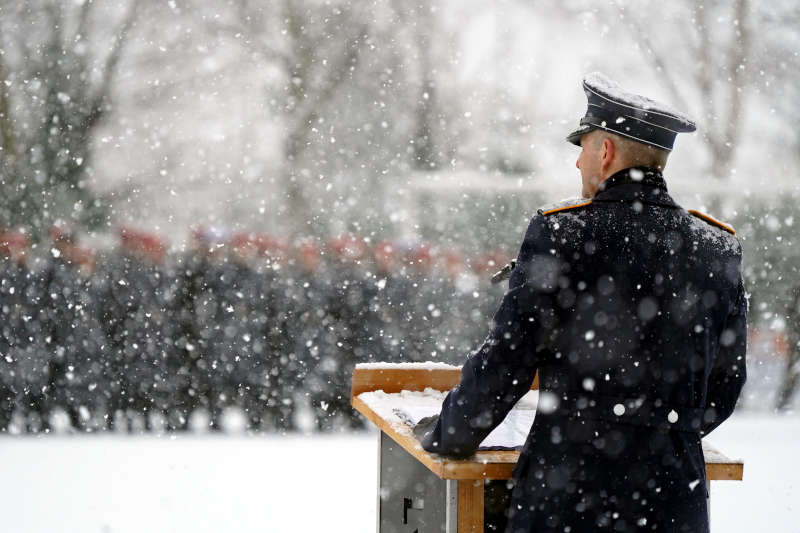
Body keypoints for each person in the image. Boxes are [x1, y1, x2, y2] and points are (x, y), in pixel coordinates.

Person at [415, 72, 747, 533]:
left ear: (605, 151)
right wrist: (660, 434)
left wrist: (449, 434)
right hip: (674, 499)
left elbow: (508, 359)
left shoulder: (562, 233)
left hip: (569, 493)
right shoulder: (717, 248)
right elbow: (725, 386)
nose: (577, 164)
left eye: (583, 147)